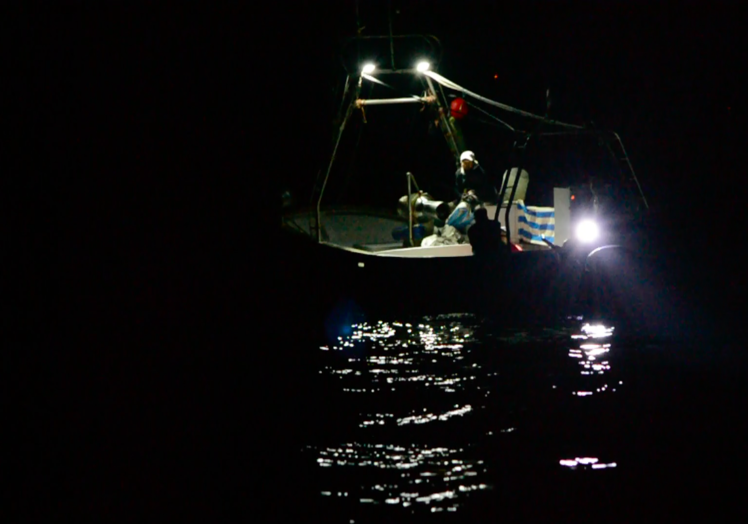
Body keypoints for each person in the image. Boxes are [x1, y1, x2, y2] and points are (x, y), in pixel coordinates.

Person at [445, 150, 497, 232]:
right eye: (464, 162)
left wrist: (475, 194)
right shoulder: (459, 174)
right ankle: (449, 225)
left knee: (477, 212)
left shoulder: (480, 172)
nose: (466, 164)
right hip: (466, 199)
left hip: (481, 198)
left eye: (468, 162)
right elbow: (458, 189)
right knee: (455, 207)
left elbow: (486, 188)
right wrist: (463, 195)